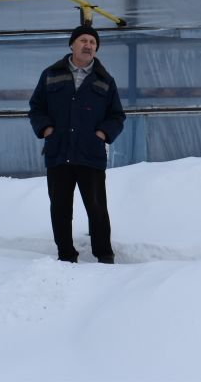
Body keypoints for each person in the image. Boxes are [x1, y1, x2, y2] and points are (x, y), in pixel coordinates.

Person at [29, 25, 126, 264]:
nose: (88, 45)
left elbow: (117, 116)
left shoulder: (105, 80)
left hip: (90, 153)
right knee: (60, 208)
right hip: (59, 152)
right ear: (72, 45)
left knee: (97, 207)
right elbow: (36, 107)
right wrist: (46, 130)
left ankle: (104, 254)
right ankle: (66, 254)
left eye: (93, 42)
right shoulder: (51, 74)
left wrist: (102, 134)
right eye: (83, 40)